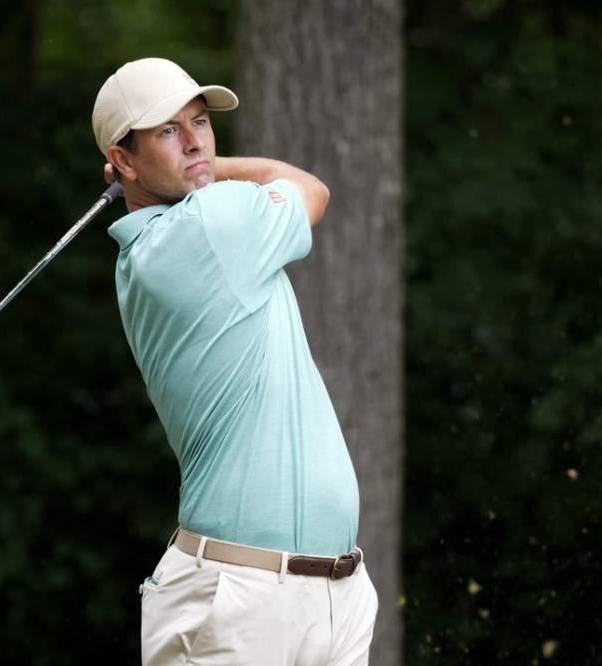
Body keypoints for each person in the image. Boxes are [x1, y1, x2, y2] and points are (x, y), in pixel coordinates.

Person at [91, 58, 378, 665]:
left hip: (330, 594)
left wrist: (188, 167)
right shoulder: (207, 228)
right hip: (241, 598)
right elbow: (310, 188)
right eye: (168, 132)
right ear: (122, 159)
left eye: (200, 123)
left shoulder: (169, 239)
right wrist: (211, 171)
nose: (195, 141)